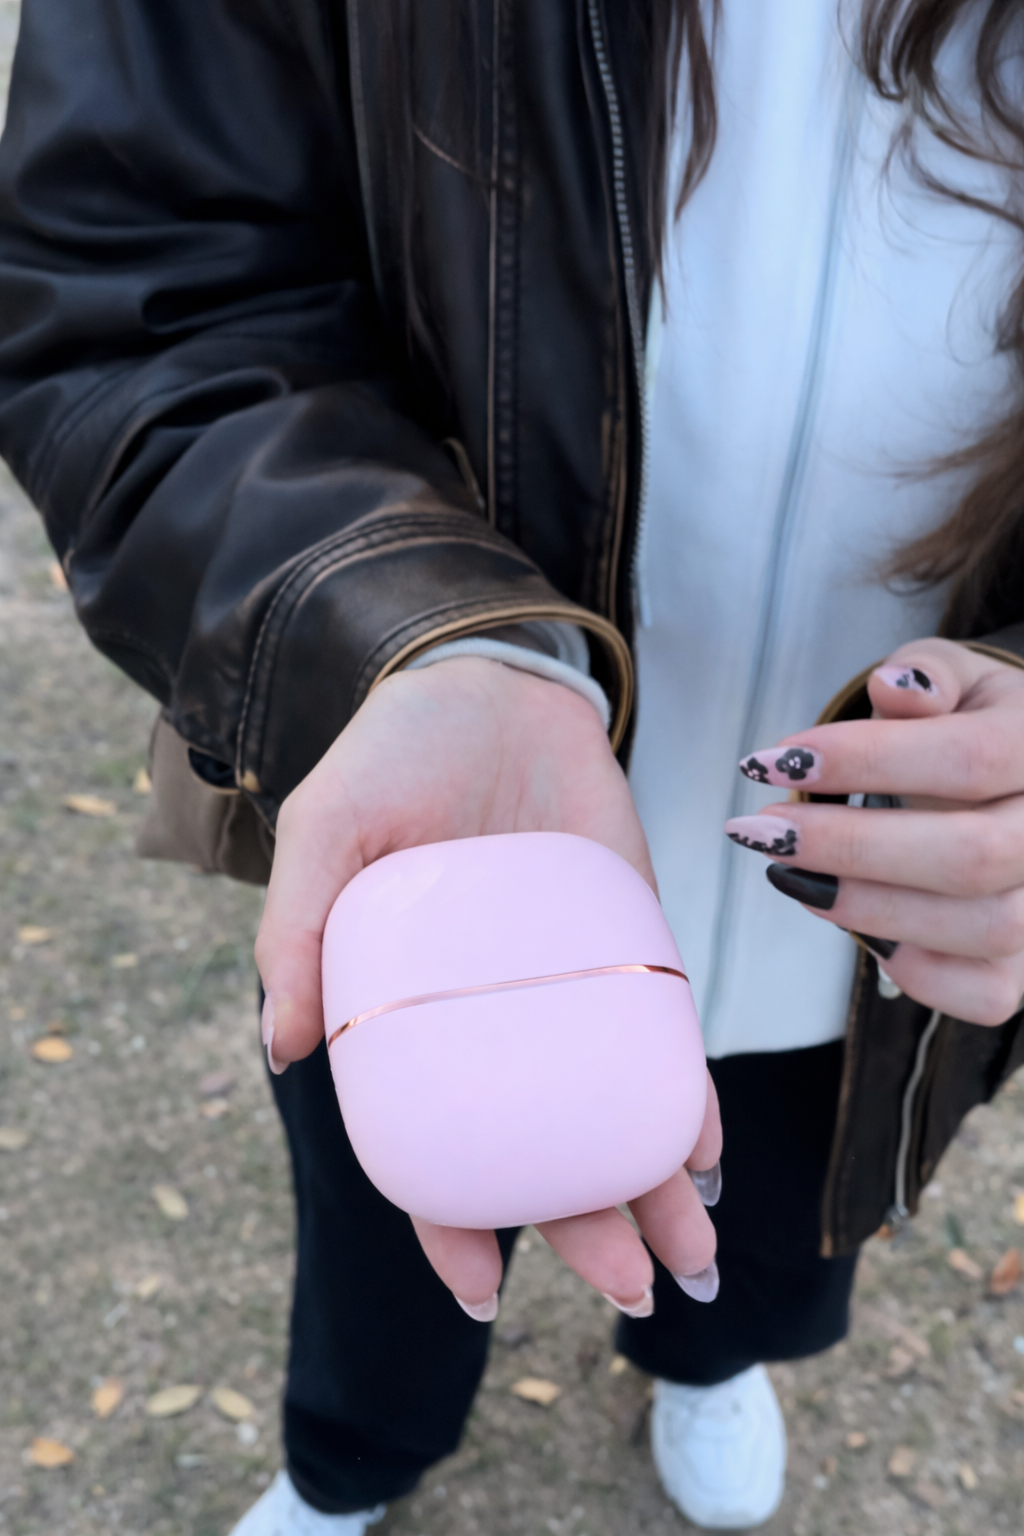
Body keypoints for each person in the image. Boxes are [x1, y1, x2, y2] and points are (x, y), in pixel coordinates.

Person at [3, 1, 1024, 1531]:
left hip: (880, 909)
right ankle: (349, 1464)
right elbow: (134, 284)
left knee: (758, 1219)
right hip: (429, 824)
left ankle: (702, 1361)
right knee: (392, 1227)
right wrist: (414, 635)